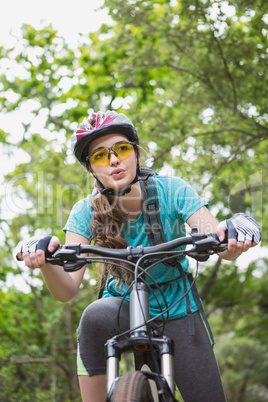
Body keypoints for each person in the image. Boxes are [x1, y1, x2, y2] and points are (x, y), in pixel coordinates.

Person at [16, 111, 261, 402]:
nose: (114, 160)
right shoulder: (84, 211)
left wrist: (235, 231)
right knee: (93, 316)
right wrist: (44, 261)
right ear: (91, 169)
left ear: (136, 153)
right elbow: (66, 289)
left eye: (121, 149)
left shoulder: (173, 190)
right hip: (121, 305)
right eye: (99, 156)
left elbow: (218, 238)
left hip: (179, 306)